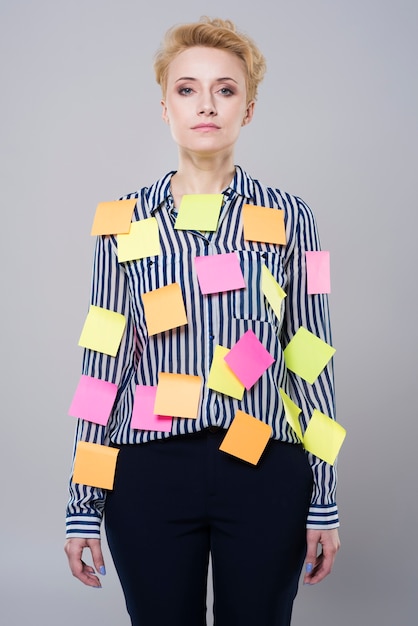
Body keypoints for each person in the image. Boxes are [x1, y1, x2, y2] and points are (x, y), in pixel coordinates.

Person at [64, 16, 340, 626]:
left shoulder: (295, 217)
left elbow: (309, 353)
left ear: (248, 107)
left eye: (226, 88)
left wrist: (325, 500)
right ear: (164, 107)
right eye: (187, 89)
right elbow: (102, 367)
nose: (206, 104)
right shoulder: (124, 221)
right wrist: (81, 505)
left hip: (266, 467)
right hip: (148, 473)